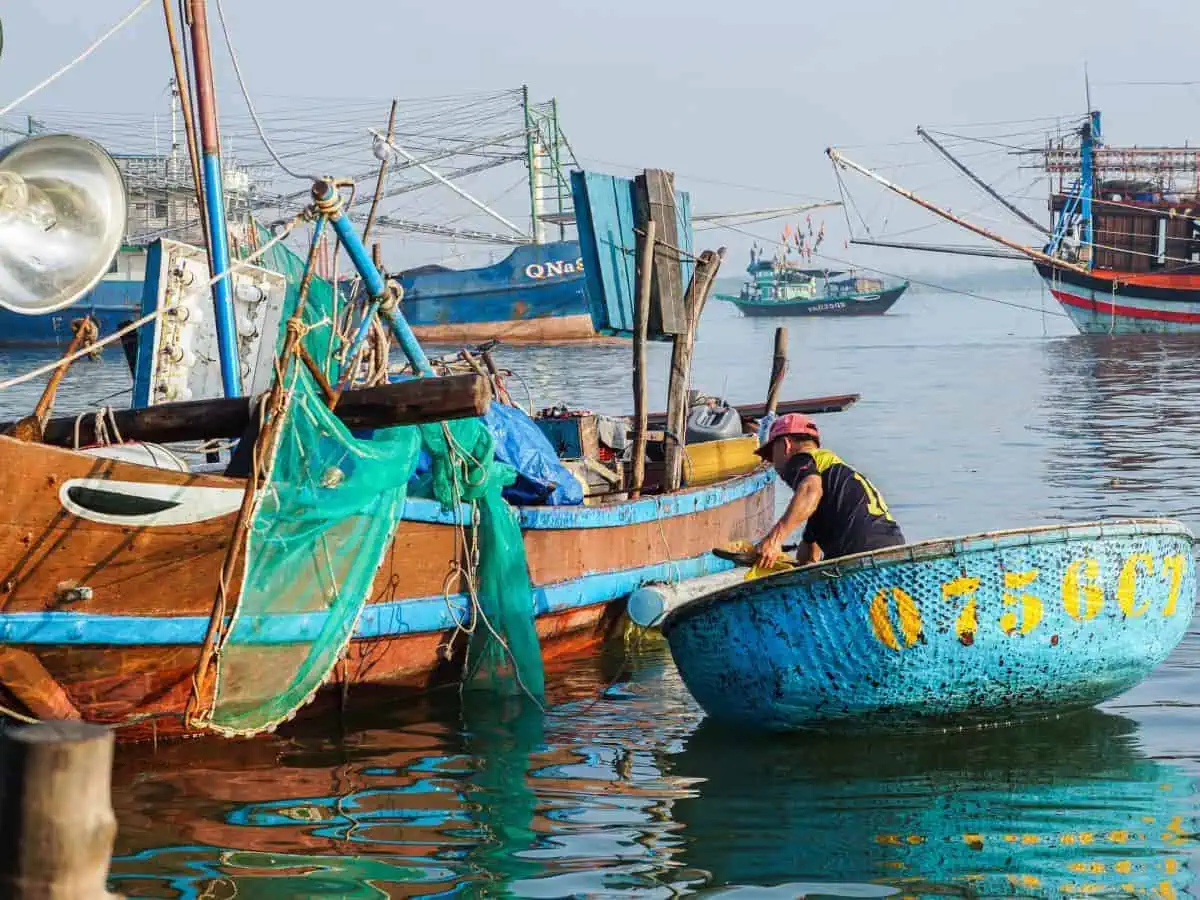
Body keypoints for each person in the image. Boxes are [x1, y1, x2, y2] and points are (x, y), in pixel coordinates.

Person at [753, 413, 905, 567]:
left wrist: (774, 540)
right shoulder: (834, 474)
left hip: (863, 558)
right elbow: (810, 553)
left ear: (786, 445)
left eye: (772, 455)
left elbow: (810, 490)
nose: (774, 465)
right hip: (896, 550)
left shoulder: (801, 459)